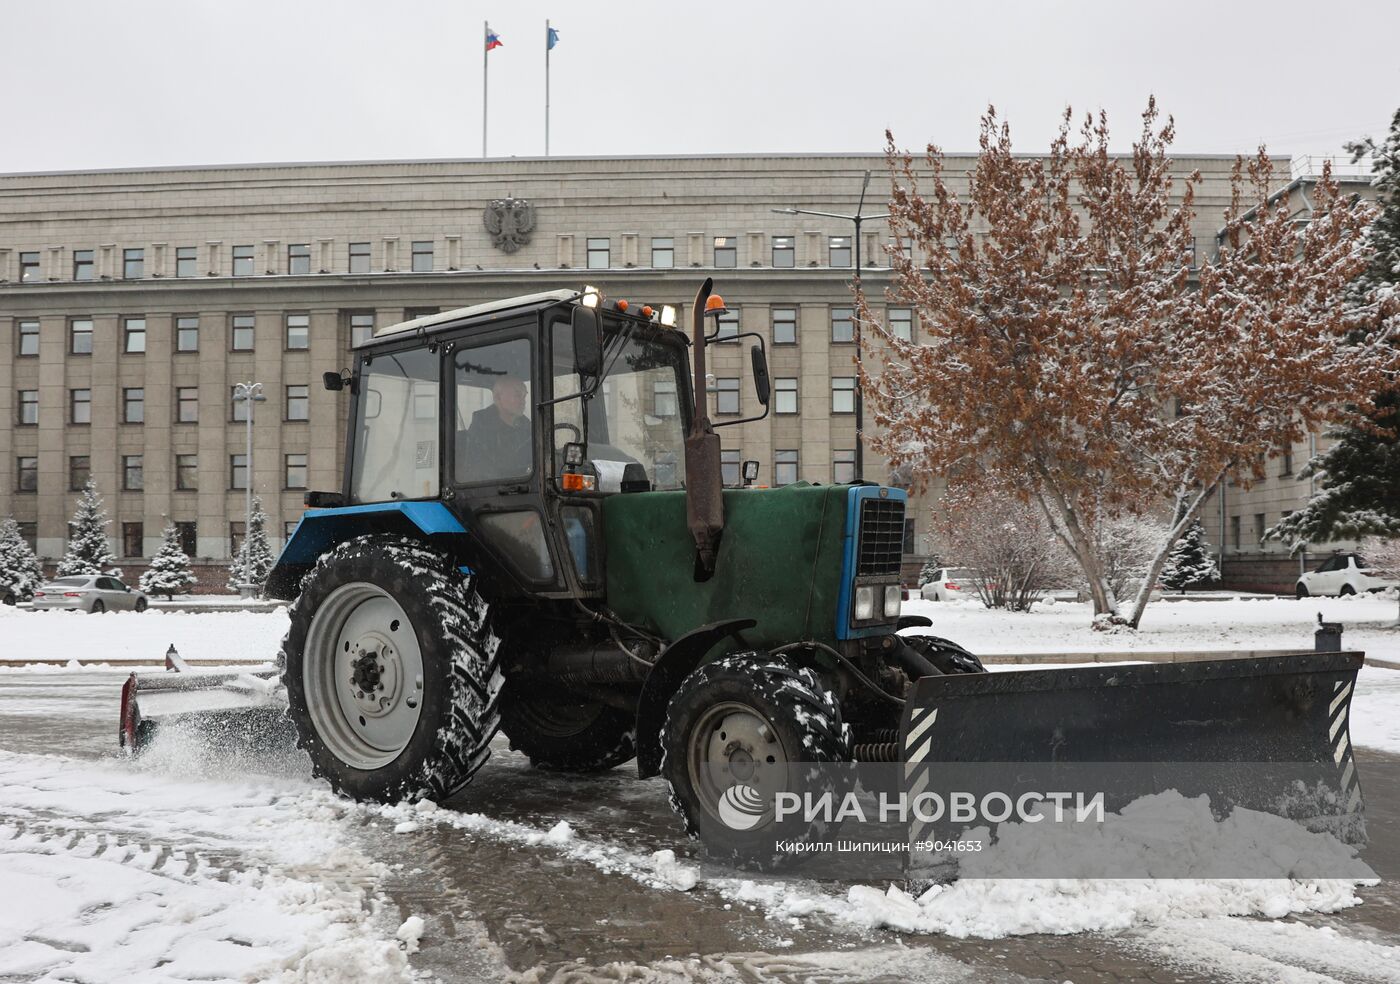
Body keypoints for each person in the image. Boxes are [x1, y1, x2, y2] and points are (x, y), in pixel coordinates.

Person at [458, 375, 532, 481]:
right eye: (517, 395)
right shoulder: (482, 429)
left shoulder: (526, 425)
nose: (523, 401)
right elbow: (487, 471)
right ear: (498, 398)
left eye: (524, 396)